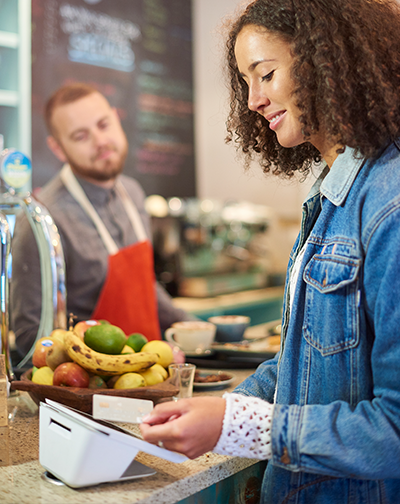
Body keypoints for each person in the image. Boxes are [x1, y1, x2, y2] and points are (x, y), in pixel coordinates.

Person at [139, 0, 400, 502]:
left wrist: (246, 425)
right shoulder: (331, 193)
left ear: (328, 61)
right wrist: (227, 408)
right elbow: (309, 364)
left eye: (266, 73)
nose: (254, 99)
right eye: (246, 82)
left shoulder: (388, 202)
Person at [10, 82, 193, 357]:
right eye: (81, 136)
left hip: (152, 375)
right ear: (58, 148)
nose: (100, 141)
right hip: (91, 388)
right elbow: (29, 336)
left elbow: (143, 288)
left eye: (104, 125)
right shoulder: (41, 221)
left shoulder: (131, 192)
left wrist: (192, 326)